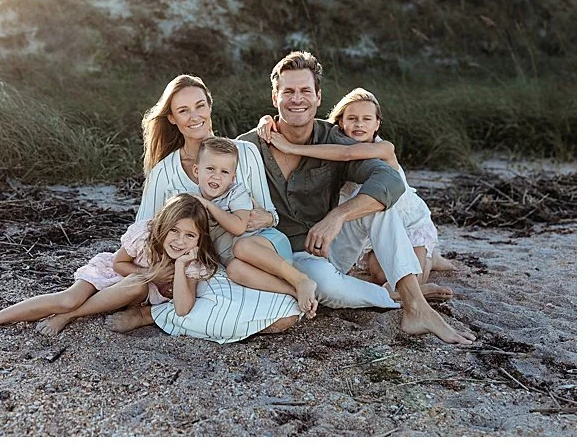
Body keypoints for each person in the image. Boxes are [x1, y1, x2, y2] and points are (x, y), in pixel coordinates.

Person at [236, 52, 474, 345]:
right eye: (288, 92)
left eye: (305, 91)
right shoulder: (247, 147)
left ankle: (417, 308)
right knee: (325, 286)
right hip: (280, 257)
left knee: (376, 203)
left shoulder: (334, 139)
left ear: (318, 96)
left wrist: (337, 216)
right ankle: (391, 295)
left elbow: (389, 179)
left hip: (329, 245)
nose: (297, 99)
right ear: (275, 98)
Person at [110, 75, 303, 343]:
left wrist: (254, 219)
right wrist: (158, 273)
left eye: (200, 106)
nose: (194, 116)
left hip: (247, 262)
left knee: (287, 316)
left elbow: (273, 216)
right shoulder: (164, 172)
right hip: (198, 269)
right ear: (172, 119)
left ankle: (162, 316)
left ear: (210, 107)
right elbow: (146, 231)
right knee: (214, 301)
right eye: (183, 110)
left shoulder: (244, 153)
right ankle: (151, 315)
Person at [257, 87, 453, 293]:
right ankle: (422, 258)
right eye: (352, 118)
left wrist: (291, 147)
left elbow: (348, 153)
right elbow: (313, 132)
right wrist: (267, 120)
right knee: (379, 276)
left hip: (407, 221)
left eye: (367, 119)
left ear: (377, 124)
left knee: (410, 279)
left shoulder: (385, 148)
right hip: (366, 222)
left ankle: (431, 258)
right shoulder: (332, 144)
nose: (359, 124)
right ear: (341, 122)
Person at [0, 194, 219, 339]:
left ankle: (69, 317)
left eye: (189, 235)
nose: (180, 241)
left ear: (199, 239)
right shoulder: (146, 237)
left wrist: (181, 266)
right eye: (174, 231)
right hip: (108, 275)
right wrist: (152, 275)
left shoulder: (192, 262)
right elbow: (118, 263)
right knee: (67, 300)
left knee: (137, 287)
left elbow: (183, 308)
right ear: (162, 226)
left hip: (127, 294)